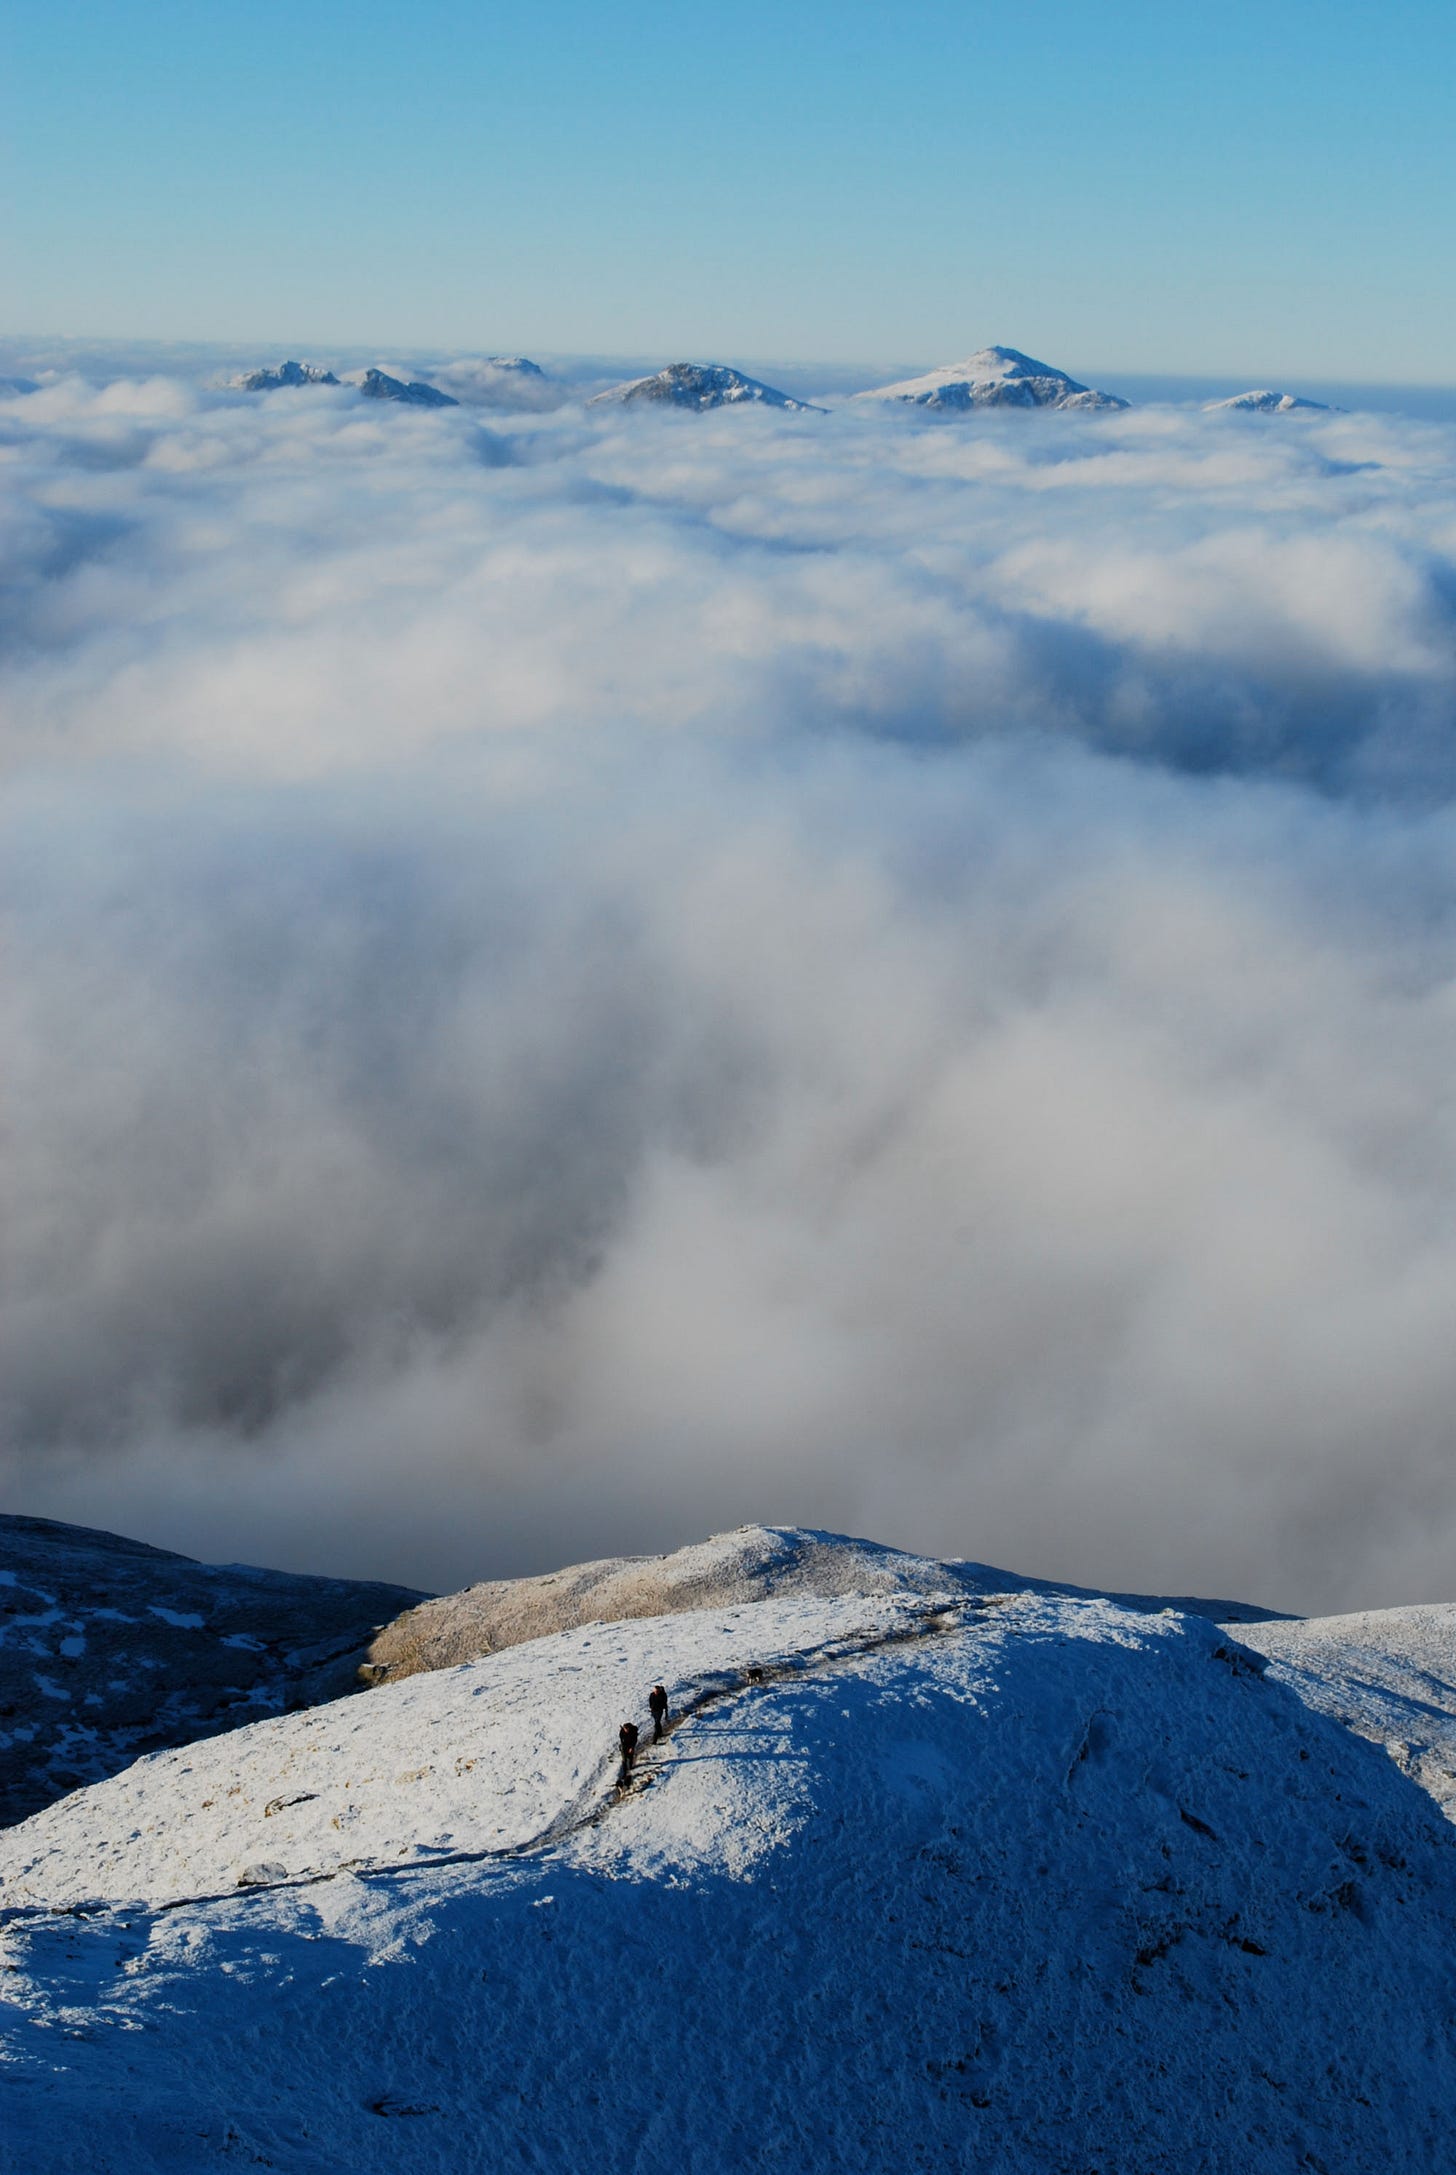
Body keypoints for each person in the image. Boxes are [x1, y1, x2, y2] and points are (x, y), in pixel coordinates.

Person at [617, 1719, 639, 1786]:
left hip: (630, 1746)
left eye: (626, 1729)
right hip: (624, 1747)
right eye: (624, 1729)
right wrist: (622, 1747)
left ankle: (630, 1768)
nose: (626, 1730)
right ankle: (624, 1772)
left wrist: (631, 1747)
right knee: (624, 1760)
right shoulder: (622, 1732)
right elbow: (621, 1740)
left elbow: (635, 1741)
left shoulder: (633, 1733)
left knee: (630, 1758)